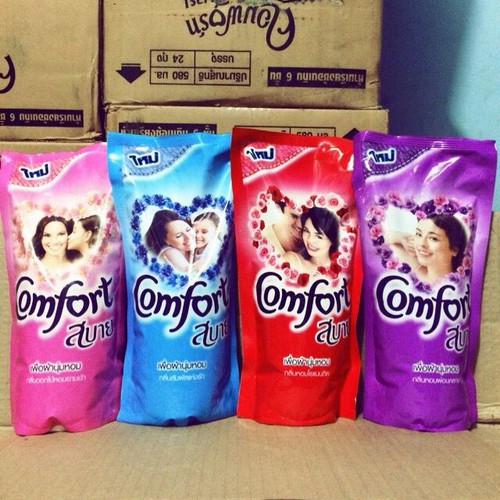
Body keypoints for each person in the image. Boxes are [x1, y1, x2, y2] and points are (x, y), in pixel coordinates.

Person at [385, 214, 468, 284]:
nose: (422, 244)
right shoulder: (412, 266)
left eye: (433, 238)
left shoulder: (461, 282)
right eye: (419, 234)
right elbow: (380, 239)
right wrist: (401, 237)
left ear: (454, 250)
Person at [283, 207, 340, 275]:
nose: (310, 240)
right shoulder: (292, 261)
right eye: (306, 231)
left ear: (333, 240)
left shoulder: (342, 270)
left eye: (319, 236)